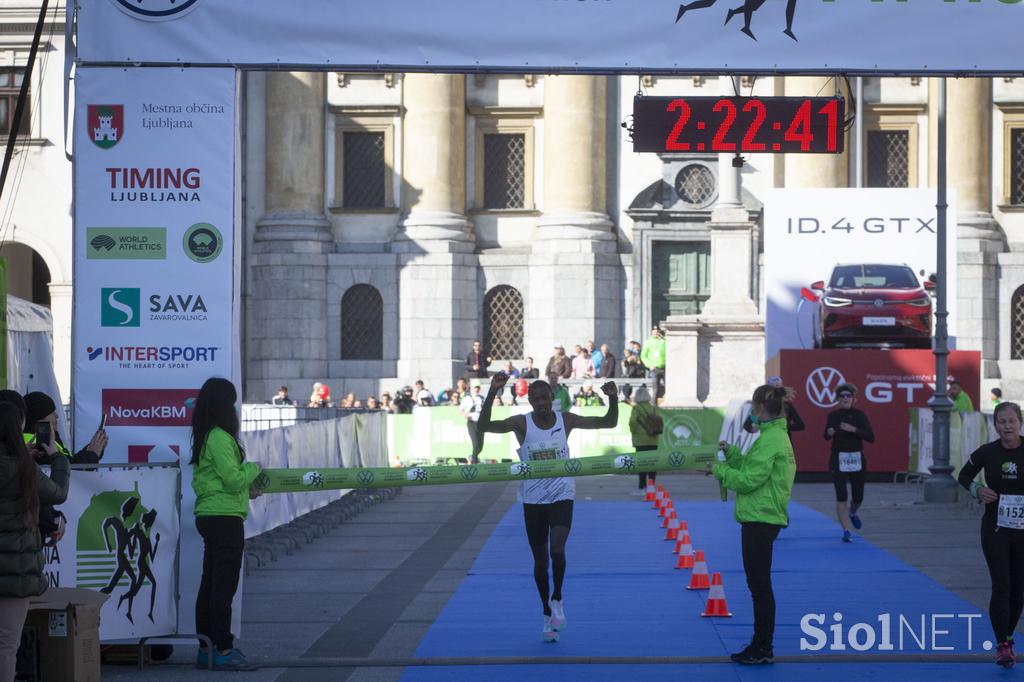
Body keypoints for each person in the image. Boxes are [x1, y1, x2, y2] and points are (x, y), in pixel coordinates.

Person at [478, 373, 618, 643]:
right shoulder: (521, 423)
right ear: (529, 401)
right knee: (541, 563)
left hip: (562, 494)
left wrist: (612, 399)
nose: (540, 403)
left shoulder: (566, 419)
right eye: (534, 399)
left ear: (552, 398)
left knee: (557, 549)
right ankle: (545, 613)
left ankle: (558, 598)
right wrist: (493, 392)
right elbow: (484, 425)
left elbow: (608, 422)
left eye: (544, 398)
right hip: (533, 499)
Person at [713, 384, 796, 665]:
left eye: (753, 408)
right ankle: (761, 645)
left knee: (759, 586)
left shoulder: (771, 440)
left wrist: (720, 469)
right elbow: (752, 468)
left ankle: (762, 647)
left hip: (760, 517)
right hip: (763, 515)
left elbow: (748, 480)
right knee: (759, 585)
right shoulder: (773, 437)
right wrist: (733, 455)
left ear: (760, 409)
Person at [190, 377, 262, 671]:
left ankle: (205, 648)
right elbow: (233, 479)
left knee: (210, 585)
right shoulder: (220, 437)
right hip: (225, 519)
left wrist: (247, 488)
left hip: (211, 515)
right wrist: (256, 468)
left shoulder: (206, 435)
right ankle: (223, 648)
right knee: (223, 587)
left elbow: (223, 480)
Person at [0, 401, 69, 681]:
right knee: (6, 645)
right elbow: (58, 493)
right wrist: (57, 459)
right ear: (19, 428)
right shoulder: (26, 470)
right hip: (16, 571)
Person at [958, 401, 1024, 668]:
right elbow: (963, 476)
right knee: (1001, 586)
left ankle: (1008, 636)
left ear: (1019, 423)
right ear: (995, 425)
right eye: (1001, 422)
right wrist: (977, 491)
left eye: (1011, 421)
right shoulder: (987, 452)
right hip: (996, 528)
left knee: (1018, 591)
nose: (1007, 426)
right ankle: (1002, 645)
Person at [825, 383, 875, 543]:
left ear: (854, 399)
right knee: (841, 495)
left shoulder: (860, 415)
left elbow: (871, 437)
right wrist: (829, 432)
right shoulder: (833, 415)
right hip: (838, 457)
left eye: (848, 396)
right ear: (837, 399)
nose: (845, 398)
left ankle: (853, 512)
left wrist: (854, 430)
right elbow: (825, 435)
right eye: (842, 396)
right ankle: (846, 530)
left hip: (856, 458)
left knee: (858, 496)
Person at [23, 391, 106, 464]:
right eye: (51, 412)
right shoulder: (36, 444)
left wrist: (94, 448)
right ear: (39, 418)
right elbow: (68, 468)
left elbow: (69, 461)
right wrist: (92, 454)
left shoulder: (47, 438)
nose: (56, 415)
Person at [629, 386, 661, 492]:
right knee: (652, 463)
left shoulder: (637, 408)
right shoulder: (652, 408)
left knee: (642, 464)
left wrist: (633, 431)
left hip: (641, 441)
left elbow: (632, 422)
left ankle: (642, 487)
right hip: (653, 439)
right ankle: (651, 486)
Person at [460, 379, 485, 464]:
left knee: (480, 446)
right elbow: (460, 410)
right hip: (472, 423)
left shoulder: (482, 398)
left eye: (478, 387)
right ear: (471, 388)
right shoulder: (467, 398)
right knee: (475, 444)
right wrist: (465, 415)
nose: (476, 389)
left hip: (481, 423)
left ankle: (472, 457)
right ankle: (475, 464)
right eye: (475, 387)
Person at [641, 327, 666, 400]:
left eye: (657, 331)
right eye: (654, 332)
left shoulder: (663, 341)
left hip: (665, 368)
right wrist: (649, 365)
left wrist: (664, 338)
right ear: (651, 333)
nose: (656, 333)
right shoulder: (648, 342)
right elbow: (643, 356)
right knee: (656, 390)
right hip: (655, 368)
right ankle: (654, 408)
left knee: (669, 389)